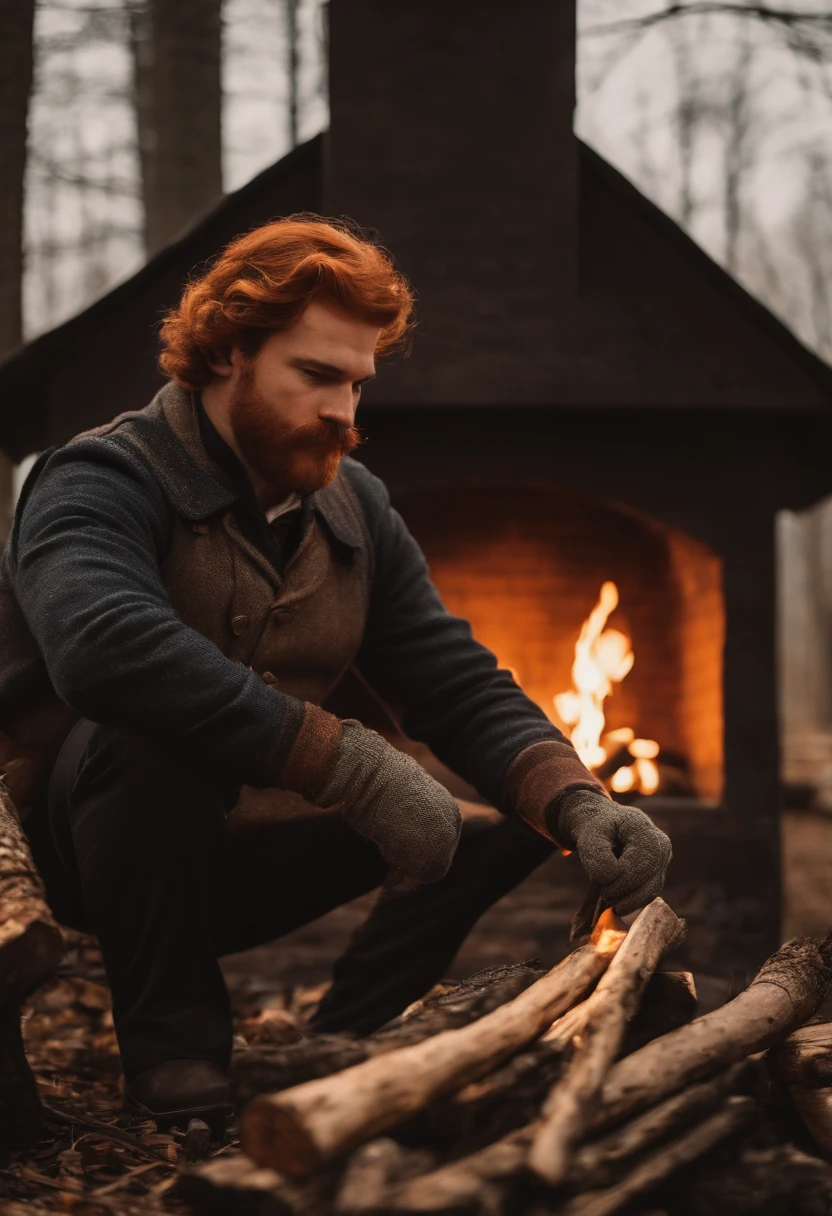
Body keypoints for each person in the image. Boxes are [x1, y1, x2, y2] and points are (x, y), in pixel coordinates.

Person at [2, 216, 671, 1131]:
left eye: (357, 382)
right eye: (317, 376)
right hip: (83, 854)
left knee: (506, 825)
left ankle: (345, 1042)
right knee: (146, 735)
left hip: (246, 859)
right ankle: (176, 1062)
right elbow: (103, 646)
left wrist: (577, 801)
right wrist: (348, 762)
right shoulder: (100, 476)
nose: (345, 413)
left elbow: (452, 677)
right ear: (229, 351)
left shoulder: (355, 505)